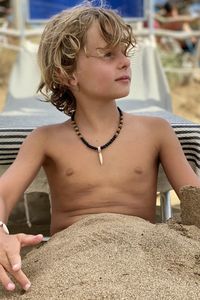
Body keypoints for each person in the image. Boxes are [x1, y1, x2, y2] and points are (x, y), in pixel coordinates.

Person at [0, 2, 200, 293]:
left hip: (147, 259)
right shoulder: (45, 139)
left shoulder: (157, 131)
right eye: (108, 54)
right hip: (68, 263)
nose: (125, 62)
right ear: (67, 74)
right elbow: (4, 195)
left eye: (125, 53)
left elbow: (194, 201)